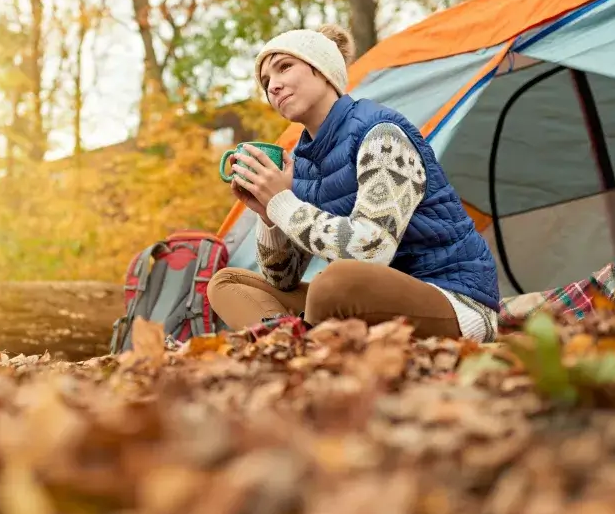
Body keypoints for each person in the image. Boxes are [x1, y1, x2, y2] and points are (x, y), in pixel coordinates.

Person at [207, 24, 501, 342]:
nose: (273, 87)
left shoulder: (382, 135)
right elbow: (284, 279)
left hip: (452, 301)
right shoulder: (302, 162)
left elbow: (371, 250)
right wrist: (267, 214)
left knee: (335, 282)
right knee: (227, 283)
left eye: (284, 67)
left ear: (322, 70)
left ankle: (303, 348)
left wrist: (282, 202)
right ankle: (295, 349)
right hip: (365, 304)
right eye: (266, 82)